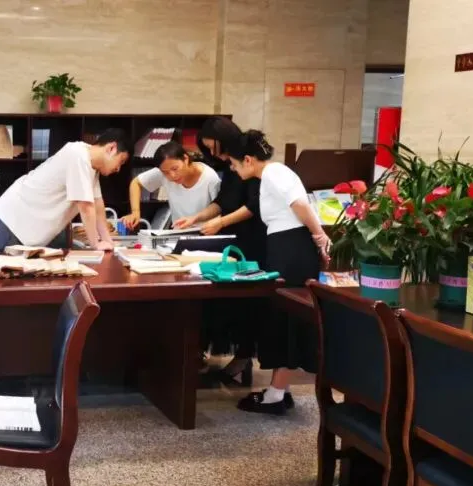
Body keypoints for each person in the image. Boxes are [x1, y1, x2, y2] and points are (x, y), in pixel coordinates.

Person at [225, 130, 331, 415]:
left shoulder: (274, 173)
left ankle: (275, 395)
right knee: (282, 318)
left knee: (285, 318)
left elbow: (300, 205)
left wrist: (319, 236)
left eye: (234, 164)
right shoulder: (270, 176)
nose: (233, 170)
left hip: (292, 250)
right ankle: (278, 391)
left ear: (248, 160)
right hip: (285, 247)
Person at [183, 117, 266, 385]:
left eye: (213, 146)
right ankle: (220, 355)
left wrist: (221, 222)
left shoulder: (250, 160)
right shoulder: (230, 168)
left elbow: (254, 205)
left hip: (254, 240)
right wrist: (196, 218)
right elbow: (223, 202)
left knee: (246, 304)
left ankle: (243, 357)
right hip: (234, 238)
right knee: (223, 299)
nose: (212, 153)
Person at [0, 129, 130, 254]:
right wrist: (96, 244)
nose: (118, 169)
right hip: (6, 223)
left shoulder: (92, 166)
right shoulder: (78, 155)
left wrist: (108, 242)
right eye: (121, 161)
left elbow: (98, 206)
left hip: (24, 234)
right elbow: (85, 207)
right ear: (111, 148)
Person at [119, 141, 220, 230]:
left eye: (175, 169)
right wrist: (135, 212)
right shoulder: (164, 171)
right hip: (178, 234)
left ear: (185, 159)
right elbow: (136, 183)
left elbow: (220, 209)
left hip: (206, 233)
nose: (172, 176)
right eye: (165, 172)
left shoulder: (210, 178)